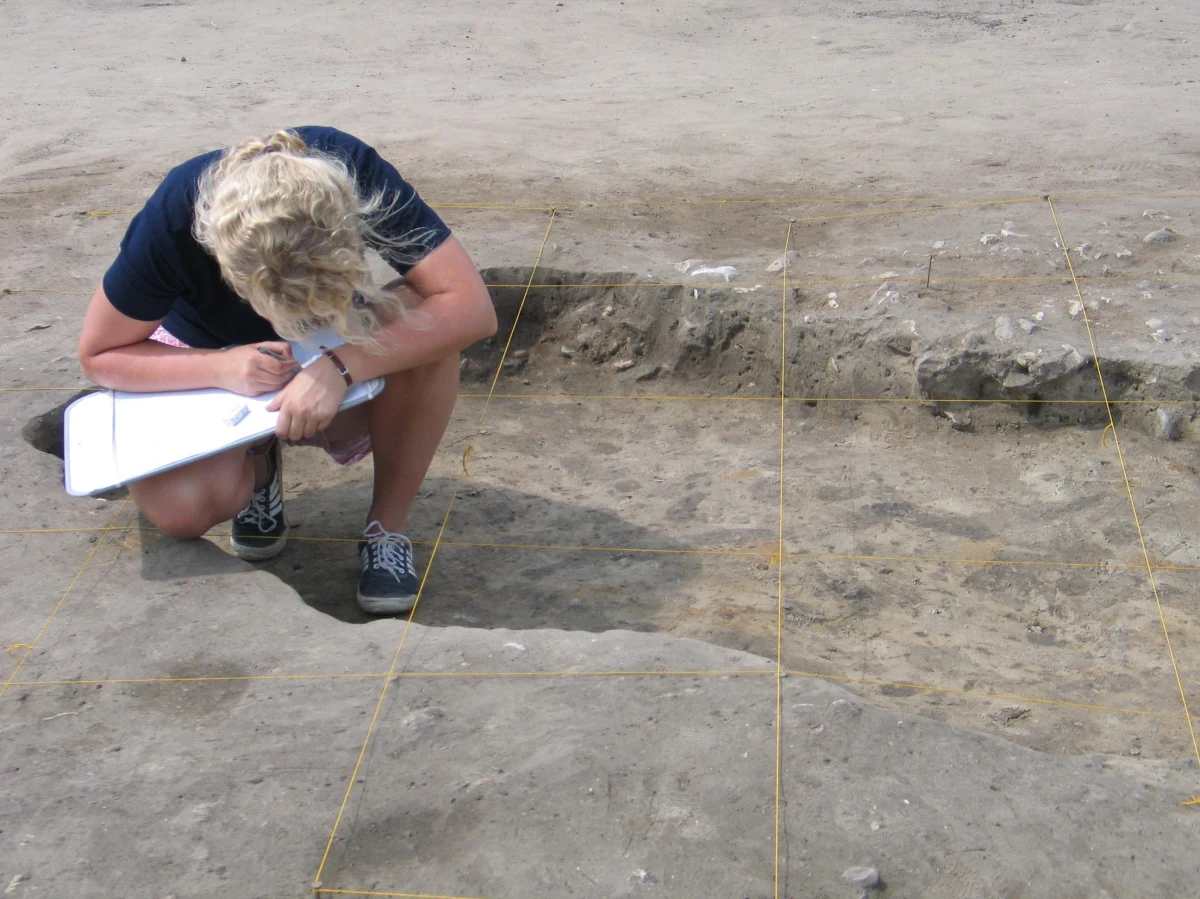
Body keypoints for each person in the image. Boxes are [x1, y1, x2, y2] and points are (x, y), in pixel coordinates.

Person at [78, 127, 496, 615]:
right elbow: (99, 355)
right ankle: (257, 462)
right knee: (181, 512)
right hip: (206, 363)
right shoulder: (175, 215)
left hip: (335, 340)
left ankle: (386, 525)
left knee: (430, 332)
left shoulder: (357, 174)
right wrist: (221, 366)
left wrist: (340, 367)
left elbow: (471, 308)